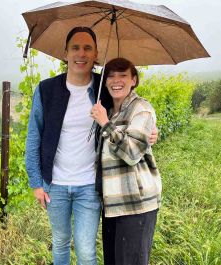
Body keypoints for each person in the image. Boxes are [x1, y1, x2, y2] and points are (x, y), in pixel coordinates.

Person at [26, 27, 158, 265]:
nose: (81, 53)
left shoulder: (103, 88)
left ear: (96, 54)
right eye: (75, 47)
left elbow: (131, 111)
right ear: (65, 52)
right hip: (55, 184)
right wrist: (36, 182)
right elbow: (34, 137)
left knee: (86, 250)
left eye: (88, 48)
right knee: (60, 243)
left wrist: (151, 131)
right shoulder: (46, 90)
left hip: (90, 185)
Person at [90, 57, 162, 265]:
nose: (116, 80)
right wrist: (105, 120)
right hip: (112, 204)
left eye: (123, 75)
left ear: (134, 80)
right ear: (104, 81)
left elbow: (131, 154)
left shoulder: (141, 109)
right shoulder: (110, 112)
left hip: (136, 205)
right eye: (111, 76)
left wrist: (105, 124)